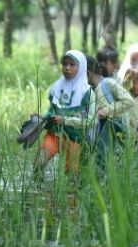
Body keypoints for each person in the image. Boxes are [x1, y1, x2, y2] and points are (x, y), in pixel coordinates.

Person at [34, 50, 95, 180]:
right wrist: (44, 118)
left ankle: (69, 199)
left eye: (72, 65)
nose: (67, 68)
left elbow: (91, 121)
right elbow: (52, 109)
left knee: (71, 176)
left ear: (81, 67)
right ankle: (37, 191)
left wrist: (66, 120)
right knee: (39, 162)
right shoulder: (56, 87)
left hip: (75, 138)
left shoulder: (87, 92)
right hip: (54, 134)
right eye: (65, 64)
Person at [85, 55, 133, 168]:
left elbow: (128, 101)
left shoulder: (108, 83)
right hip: (98, 136)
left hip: (114, 131)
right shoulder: (88, 92)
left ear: (87, 72)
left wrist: (107, 110)